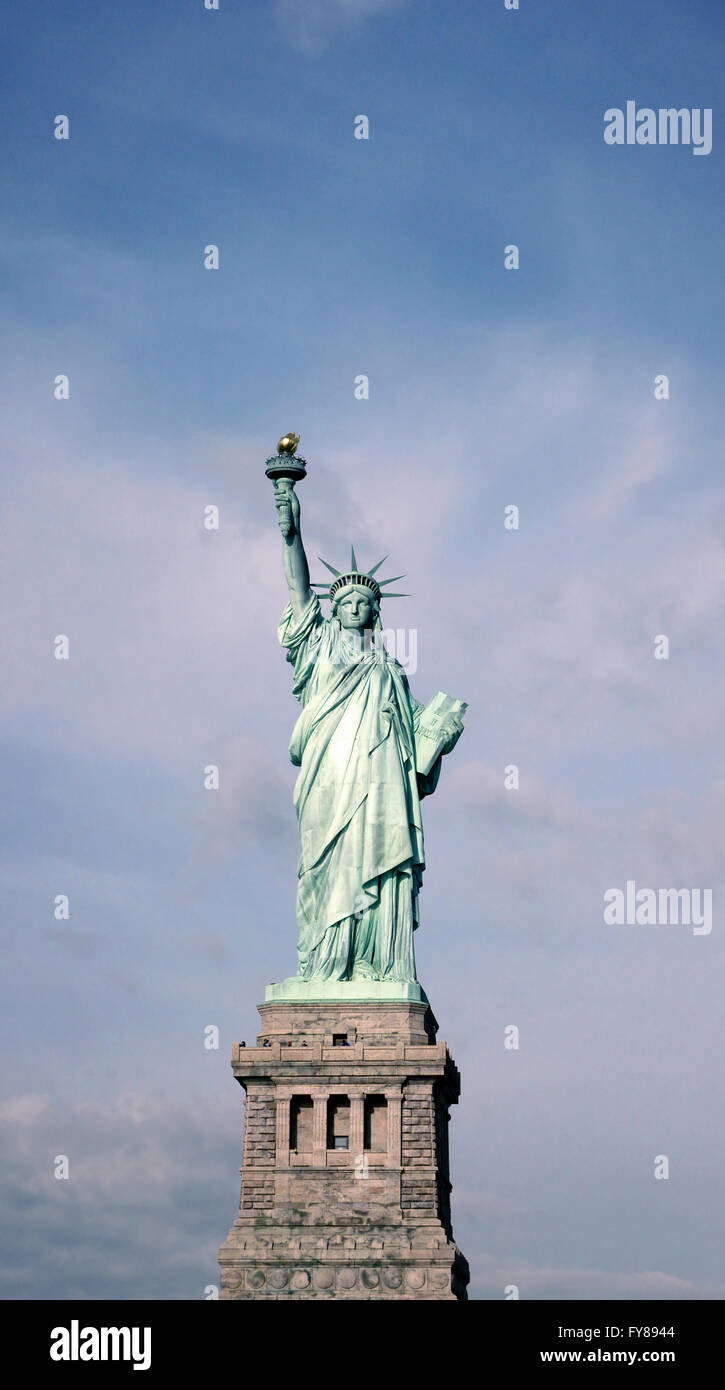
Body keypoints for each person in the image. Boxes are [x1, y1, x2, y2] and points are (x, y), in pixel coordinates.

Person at [273, 478, 463, 986]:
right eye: (346, 602)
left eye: (365, 603)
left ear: (376, 614)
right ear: (331, 611)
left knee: (376, 859)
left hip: (379, 786)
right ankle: (322, 963)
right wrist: (292, 535)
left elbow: (415, 735)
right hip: (329, 777)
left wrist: (440, 733)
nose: (355, 607)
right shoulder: (318, 650)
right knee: (325, 865)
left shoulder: (390, 670)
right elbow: (297, 588)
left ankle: (374, 964)